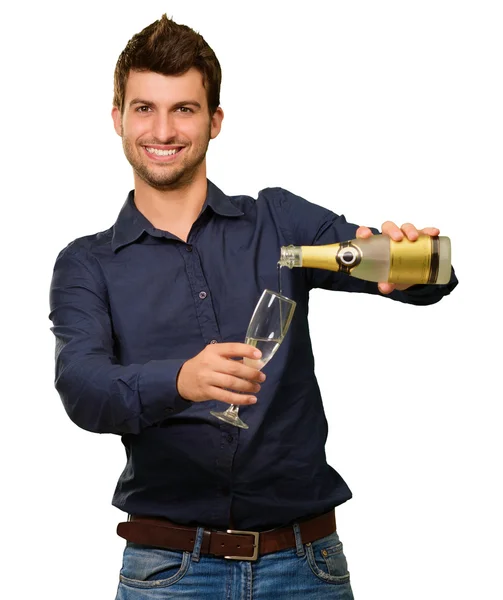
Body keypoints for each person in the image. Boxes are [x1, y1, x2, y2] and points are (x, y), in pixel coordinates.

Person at [48, 14, 458, 600]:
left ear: (215, 121)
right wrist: (182, 380)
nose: (163, 129)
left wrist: (413, 259)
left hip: (306, 568)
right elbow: (84, 388)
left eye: (184, 109)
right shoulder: (86, 264)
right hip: (167, 574)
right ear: (118, 119)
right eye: (144, 108)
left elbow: (424, 276)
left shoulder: (279, 222)